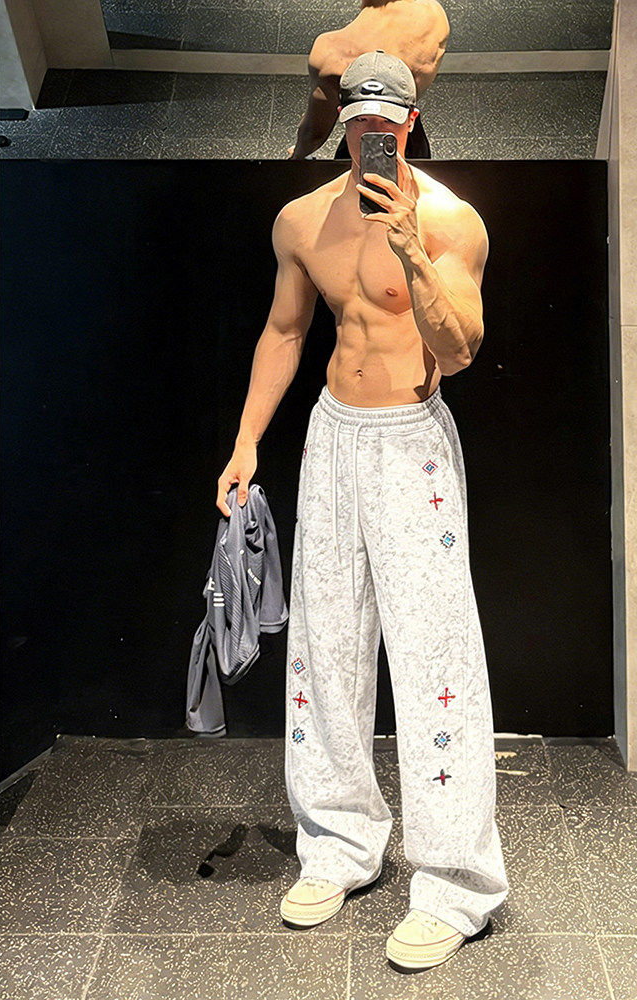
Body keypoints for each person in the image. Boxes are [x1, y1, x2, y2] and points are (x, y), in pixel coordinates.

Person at [216, 51, 509, 972]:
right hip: (333, 436)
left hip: (411, 443)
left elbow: (459, 351)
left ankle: (456, 884)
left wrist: (413, 249)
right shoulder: (302, 220)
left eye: (387, 125)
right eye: (357, 126)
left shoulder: (452, 221)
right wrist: (246, 440)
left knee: (435, 657)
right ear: (342, 124)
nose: (370, 140)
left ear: (411, 121)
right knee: (327, 645)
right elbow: (285, 330)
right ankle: (339, 844)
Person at [286, 0, 449, 160]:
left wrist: (298, 155)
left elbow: (314, 133)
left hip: (359, 140)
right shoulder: (432, 14)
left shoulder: (331, 49)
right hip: (408, 138)